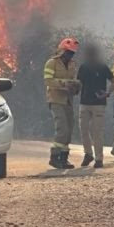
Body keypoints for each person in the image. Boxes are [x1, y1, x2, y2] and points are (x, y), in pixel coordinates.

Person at [43, 37, 81, 169]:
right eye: (68, 52)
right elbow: (48, 81)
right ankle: (54, 157)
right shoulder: (51, 63)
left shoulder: (72, 64)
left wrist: (76, 86)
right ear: (61, 50)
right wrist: (64, 83)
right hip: (56, 100)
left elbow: (73, 80)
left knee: (69, 129)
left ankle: (64, 159)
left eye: (72, 53)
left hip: (68, 100)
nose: (69, 55)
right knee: (62, 129)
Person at [76, 43, 114, 168]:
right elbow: (79, 83)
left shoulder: (102, 67)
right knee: (83, 130)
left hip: (99, 104)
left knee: (97, 132)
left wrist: (107, 93)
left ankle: (99, 159)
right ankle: (88, 154)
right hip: (84, 103)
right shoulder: (83, 67)